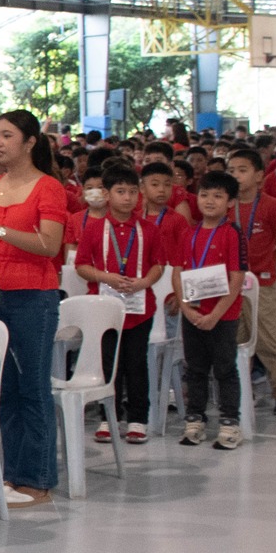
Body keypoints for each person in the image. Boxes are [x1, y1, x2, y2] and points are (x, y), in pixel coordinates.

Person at [0, 112, 67, 504]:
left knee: (33, 388)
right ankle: (13, 474)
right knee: (6, 390)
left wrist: (0, 231)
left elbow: (50, 246)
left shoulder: (48, 187)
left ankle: (36, 481)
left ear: (30, 142)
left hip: (33, 296)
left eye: (7, 136)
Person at [73, 164, 163, 443]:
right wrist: (106, 277)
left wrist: (144, 282)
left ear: (141, 195)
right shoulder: (94, 229)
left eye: (133, 192)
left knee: (136, 363)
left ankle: (138, 418)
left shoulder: (149, 229)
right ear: (107, 194)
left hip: (139, 309)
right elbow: (81, 266)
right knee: (108, 363)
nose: (127, 198)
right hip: (103, 310)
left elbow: (159, 265)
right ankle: (107, 417)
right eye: (120, 191)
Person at [169, 172, 244, 450]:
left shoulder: (232, 233)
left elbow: (237, 278)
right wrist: (187, 309)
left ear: (230, 202)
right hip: (194, 313)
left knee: (225, 368)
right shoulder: (189, 233)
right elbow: (177, 272)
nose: (209, 201)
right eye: (204, 194)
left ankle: (229, 422)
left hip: (222, 316)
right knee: (195, 368)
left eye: (218, 196)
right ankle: (195, 420)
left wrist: (216, 314)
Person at [226, 148, 276, 417]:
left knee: (268, 339)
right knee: (236, 339)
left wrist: (266, 269)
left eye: (242, 170)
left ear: (258, 175)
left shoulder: (271, 205)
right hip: (232, 282)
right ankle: (241, 392)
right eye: (231, 171)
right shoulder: (225, 204)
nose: (236, 176)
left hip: (263, 282)